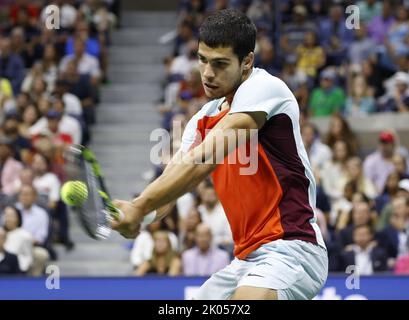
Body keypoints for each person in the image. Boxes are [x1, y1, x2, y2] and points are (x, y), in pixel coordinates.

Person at [111, 9, 328, 300]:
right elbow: (175, 183)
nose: (208, 73)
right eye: (202, 60)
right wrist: (138, 215)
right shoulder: (202, 119)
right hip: (245, 261)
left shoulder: (264, 89)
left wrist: (139, 206)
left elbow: (202, 161)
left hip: (292, 248)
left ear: (247, 62)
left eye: (220, 64)